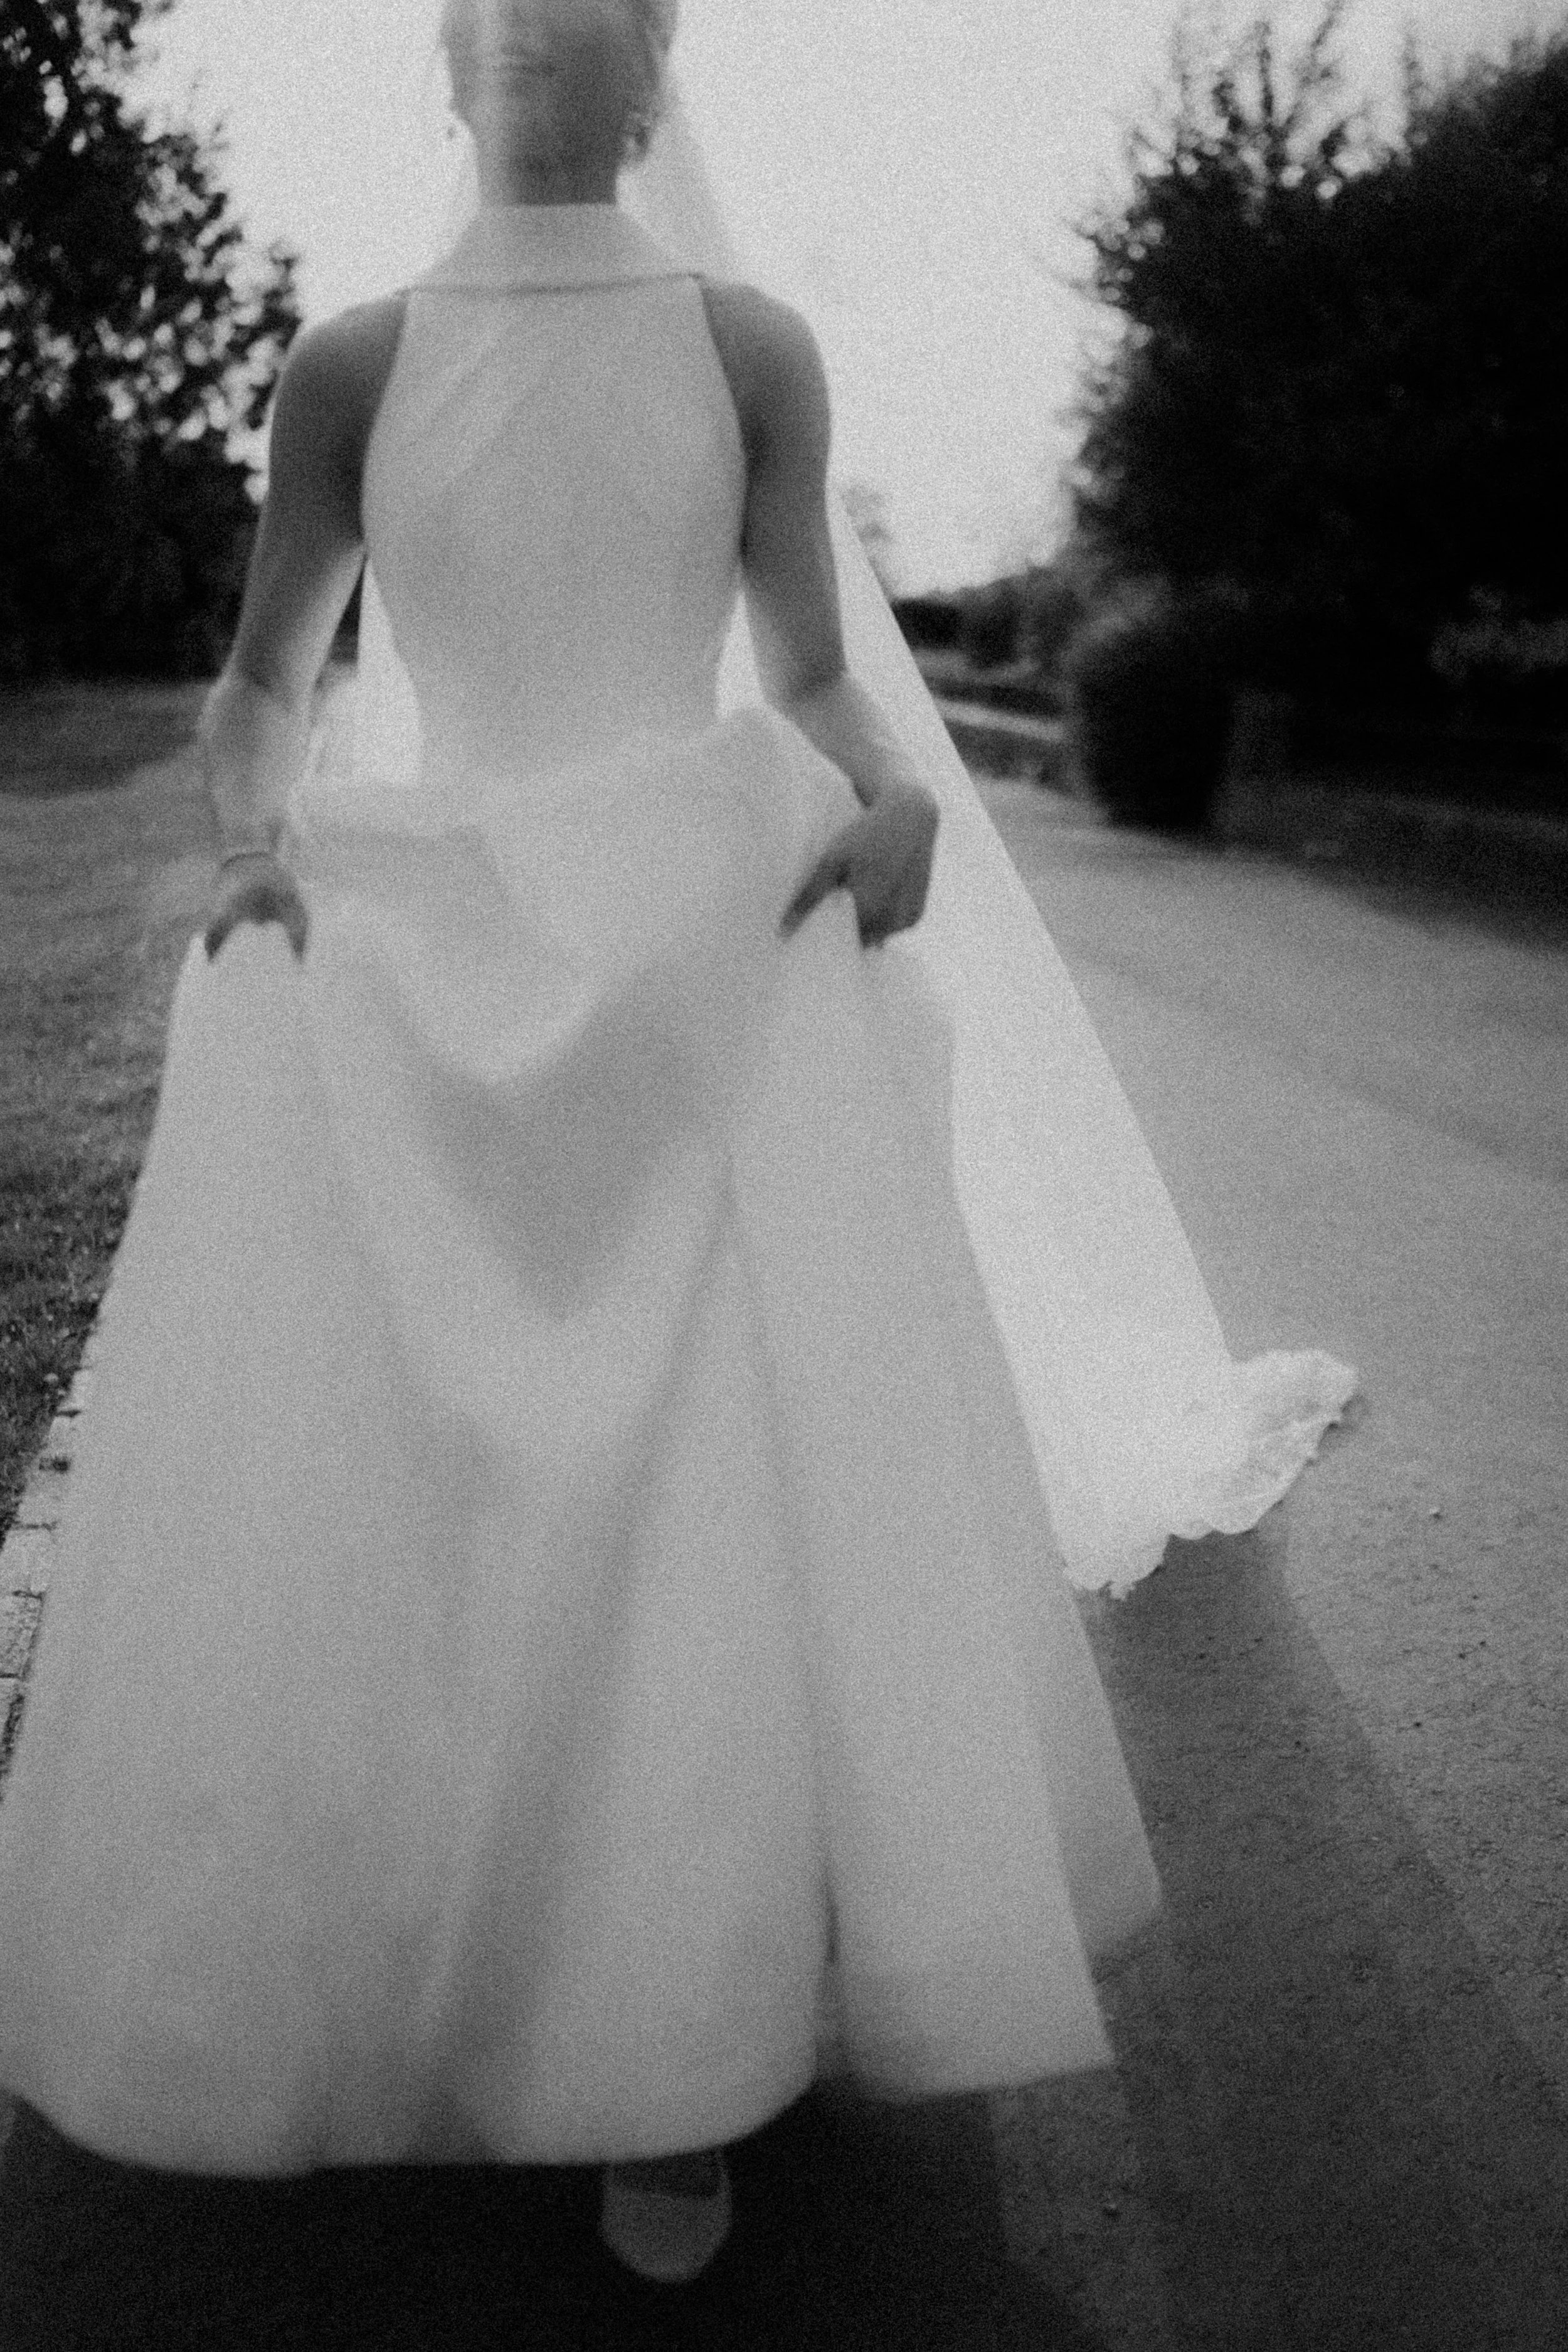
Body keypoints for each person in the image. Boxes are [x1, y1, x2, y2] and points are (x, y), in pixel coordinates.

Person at [0, 0, 1354, 2298]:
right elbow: (267, 675)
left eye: (581, 20)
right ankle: (392, 1947)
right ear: (448, 76)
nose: (535, 47)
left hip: (688, 966)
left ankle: (673, 2042)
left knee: (682, 1503)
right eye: (497, 20)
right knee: (414, 1478)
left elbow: (813, 669)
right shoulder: (348, 362)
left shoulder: (750, 343)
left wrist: (897, 791)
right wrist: (248, 835)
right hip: (427, 974)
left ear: (645, 83)